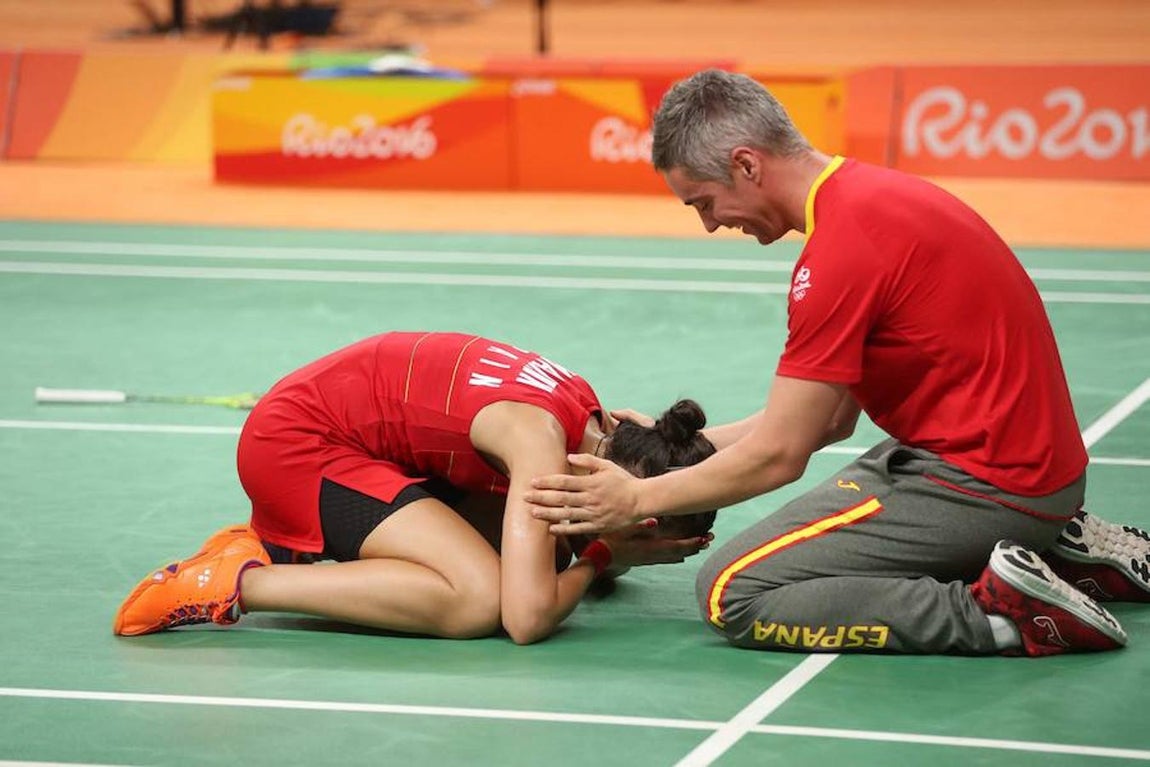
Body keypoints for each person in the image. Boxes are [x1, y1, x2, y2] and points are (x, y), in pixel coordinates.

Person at [524, 69, 1150, 657]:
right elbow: (822, 420)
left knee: (731, 590)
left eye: (705, 203)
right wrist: (676, 445)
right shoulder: (868, 198)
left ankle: (1007, 615)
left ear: (746, 164)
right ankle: (1066, 555)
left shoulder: (839, 256)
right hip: (1023, 472)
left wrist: (634, 500)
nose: (712, 226)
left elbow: (781, 454)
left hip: (990, 486)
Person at [113, 331, 717, 645]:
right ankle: (237, 580)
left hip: (360, 441)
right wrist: (602, 553)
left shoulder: (599, 426)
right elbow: (527, 620)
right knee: (479, 600)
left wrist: (593, 548)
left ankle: (293, 546)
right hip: (298, 448)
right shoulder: (536, 440)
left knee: (536, 551)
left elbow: (564, 543)